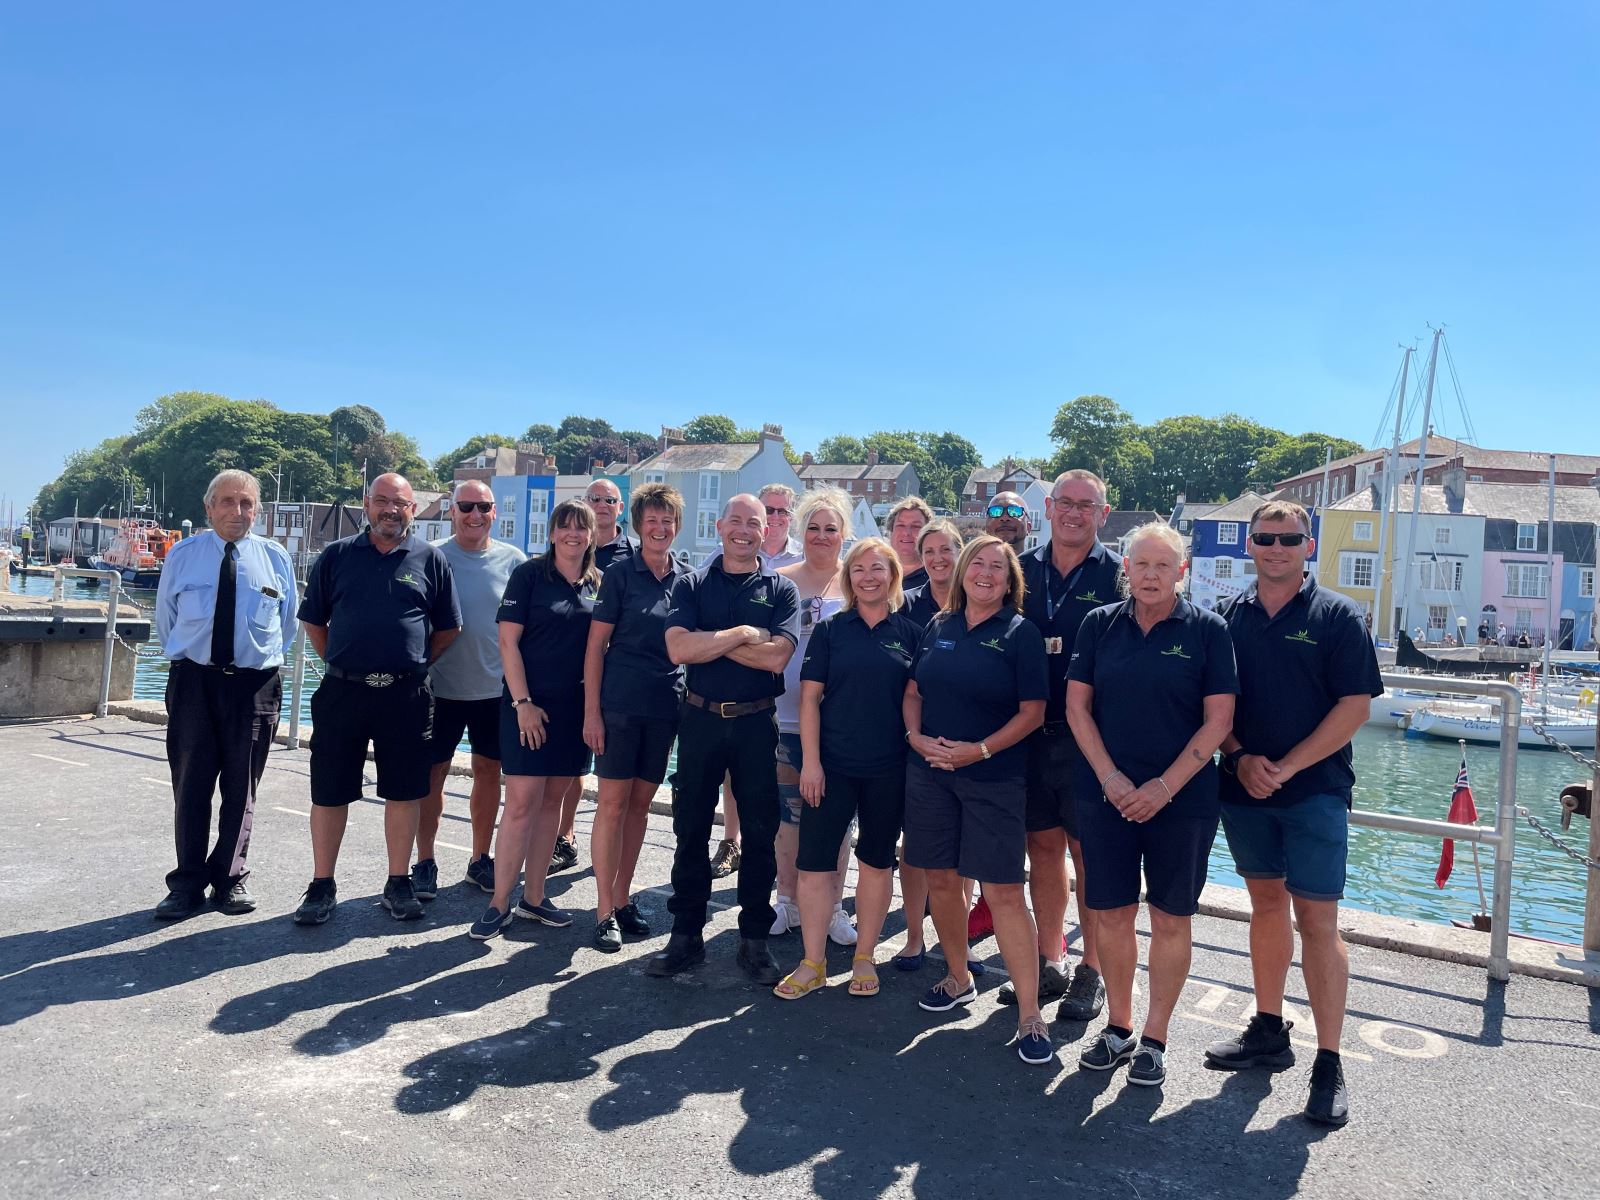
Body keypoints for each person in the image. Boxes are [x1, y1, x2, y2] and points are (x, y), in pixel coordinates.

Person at [1206, 500, 1383, 1127]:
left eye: (1289, 538)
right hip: (1244, 787)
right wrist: (1241, 756)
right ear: (1248, 546)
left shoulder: (1338, 616)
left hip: (1314, 792)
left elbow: (1354, 707)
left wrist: (1289, 765)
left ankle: (1329, 1061)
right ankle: (1269, 1028)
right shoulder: (1227, 617)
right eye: (1264, 538)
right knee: (1264, 907)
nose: (1276, 548)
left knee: (1318, 920)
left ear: (1308, 546)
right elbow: (1213, 705)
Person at [1066, 521, 1237, 1087]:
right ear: (1126, 569)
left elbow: (1219, 722)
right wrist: (1112, 779)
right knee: (1111, 914)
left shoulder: (1209, 631)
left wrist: (1164, 786)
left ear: (1182, 571)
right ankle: (1119, 1026)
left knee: (1170, 917)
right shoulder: (1099, 625)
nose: (1151, 575)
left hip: (1182, 801)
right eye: (1141, 564)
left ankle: (1156, 1036)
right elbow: (1076, 710)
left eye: (1163, 565)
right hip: (1106, 796)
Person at [902, 535, 1052, 1065]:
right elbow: (914, 691)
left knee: (1005, 892)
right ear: (963, 572)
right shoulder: (938, 627)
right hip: (931, 774)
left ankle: (1030, 1013)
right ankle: (958, 975)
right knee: (941, 879)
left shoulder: (1021, 634)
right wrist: (916, 738)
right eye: (978, 564)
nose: (986, 573)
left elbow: (1032, 713)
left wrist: (980, 751)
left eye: (997, 567)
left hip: (993, 779)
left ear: (1010, 580)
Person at [295, 473, 461, 925]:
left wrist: (415, 663)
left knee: (404, 790)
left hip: (406, 694)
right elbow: (313, 620)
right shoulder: (337, 556)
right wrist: (345, 661)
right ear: (367, 504)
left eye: (400, 503)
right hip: (343, 691)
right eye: (382, 501)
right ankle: (321, 884)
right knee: (330, 790)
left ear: (412, 509)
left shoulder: (430, 559)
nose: (391, 510)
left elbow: (449, 627)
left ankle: (398, 880)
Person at [647, 494, 800, 983]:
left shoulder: (782, 590)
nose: (744, 529)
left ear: (765, 531)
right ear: (719, 526)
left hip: (758, 722)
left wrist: (710, 642)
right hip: (700, 719)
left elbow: (778, 658)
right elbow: (677, 648)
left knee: (759, 832)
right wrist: (741, 633)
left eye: (754, 522)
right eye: (735, 520)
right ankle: (686, 935)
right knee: (690, 828)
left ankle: (753, 939)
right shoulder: (692, 583)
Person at [999, 469, 1125, 1021]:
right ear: (1047, 509)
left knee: (1089, 854)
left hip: (1090, 740)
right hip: (1027, 734)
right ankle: (1051, 960)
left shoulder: (1120, 574)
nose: (1074, 513)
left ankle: (1091, 970)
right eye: (1065, 504)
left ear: (1103, 513)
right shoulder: (1019, 571)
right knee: (1042, 850)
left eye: (1086, 505)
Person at [774, 538, 921, 1000]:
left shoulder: (912, 632)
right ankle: (812, 962)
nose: (869, 577)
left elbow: (916, 701)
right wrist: (812, 764)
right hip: (831, 766)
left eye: (878, 568)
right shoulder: (832, 630)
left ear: (893, 576)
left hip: (889, 770)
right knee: (815, 866)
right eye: (860, 569)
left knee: (876, 863)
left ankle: (864, 957)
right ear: (849, 578)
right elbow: (810, 699)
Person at [153, 469, 297, 919]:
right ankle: (187, 883)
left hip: (254, 686)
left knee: (243, 788)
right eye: (228, 502)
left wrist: (253, 659)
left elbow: (287, 623)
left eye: (247, 503)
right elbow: (166, 618)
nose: (238, 511)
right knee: (191, 784)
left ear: (257, 509)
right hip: (195, 681)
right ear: (209, 507)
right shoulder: (183, 555)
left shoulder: (275, 558)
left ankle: (230, 879)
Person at [469, 500, 599, 940]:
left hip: (573, 711)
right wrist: (522, 703)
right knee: (522, 802)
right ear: (552, 533)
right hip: (529, 707)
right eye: (565, 527)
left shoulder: (596, 584)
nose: (573, 535)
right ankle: (499, 902)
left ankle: (535, 898)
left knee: (551, 804)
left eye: (582, 528)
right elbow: (508, 644)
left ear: (592, 535)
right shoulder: (528, 576)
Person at [582, 483, 692, 951]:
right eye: (652, 519)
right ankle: (604, 908)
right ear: (638, 523)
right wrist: (592, 713)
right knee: (611, 805)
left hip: (665, 708)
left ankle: (624, 898)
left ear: (677, 526)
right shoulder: (621, 576)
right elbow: (594, 649)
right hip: (620, 706)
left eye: (668, 520)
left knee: (641, 807)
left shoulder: (686, 579)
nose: (660, 527)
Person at [412, 481, 526, 900]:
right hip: (438, 688)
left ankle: (480, 859)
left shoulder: (514, 561)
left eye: (483, 507)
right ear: (451, 511)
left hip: (493, 691)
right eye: (466, 506)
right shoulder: (431, 556)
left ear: (494, 512)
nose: (474, 514)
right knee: (432, 777)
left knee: (487, 775)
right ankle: (424, 860)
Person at [707, 482, 804, 880]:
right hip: (737, 694)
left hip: (791, 694)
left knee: (775, 790)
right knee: (733, 775)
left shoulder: (803, 556)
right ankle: (732, 841)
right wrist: (748, 636)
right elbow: (694, 635)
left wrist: (715, 639)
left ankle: (779, 865)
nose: (777, 517)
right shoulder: (722, 556)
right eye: (770, 509)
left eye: (783, 511)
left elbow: (780, 646)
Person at [771, 489, 854, 946]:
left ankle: (835, 906)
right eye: (814, 528)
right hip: (783, 715)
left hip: (839, 721)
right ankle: (787, 900)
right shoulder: (779, 579)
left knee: (838, 819)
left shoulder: (857, 582)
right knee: (790, 815)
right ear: (802, 532)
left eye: (831, 528)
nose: (822, 536)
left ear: (844, 534)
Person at [548, 477, 638, 877]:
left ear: (620, 509)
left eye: (610, 500)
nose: (601, 505)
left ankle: (571, 836)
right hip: (561, 671)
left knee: (585, 766)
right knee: (561, 765)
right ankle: (558, 838)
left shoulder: (631, 557)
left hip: (611, 675)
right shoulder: (564, 549)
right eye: (594, 498)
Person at [893, 518, 962, 969]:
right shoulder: (907, 605)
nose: (937, 559)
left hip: (965, 741)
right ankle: (914, 936)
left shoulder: (978, 601)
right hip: (913, 739)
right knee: (915, 846)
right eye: (929, 551)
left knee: (961, 852)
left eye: (946, 550)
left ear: (961, 552)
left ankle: (955, 941)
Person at [964, 489, 1032, 943]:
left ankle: (1051, 946)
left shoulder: (1039, 572)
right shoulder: (969, 586)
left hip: (1042, 724)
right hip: (976, 734)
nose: (1006, 517)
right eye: (997, 510)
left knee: (1043, 846)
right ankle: (982, 909)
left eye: (1014, 511)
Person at [885, 496, 934, 592]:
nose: (907, 532)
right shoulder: (877, 575)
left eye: (915, 526)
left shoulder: (936, 581)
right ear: (891, 531)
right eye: (901, 525)